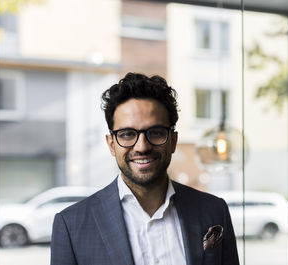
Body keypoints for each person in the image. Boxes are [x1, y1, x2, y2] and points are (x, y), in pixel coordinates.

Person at [50, 72, 239, 265]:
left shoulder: (214, 211)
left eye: (155, 132)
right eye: (127, 134)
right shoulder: (71, 226)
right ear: (111, 144)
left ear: (173, 141)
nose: (142, 147)